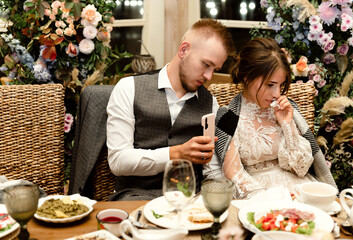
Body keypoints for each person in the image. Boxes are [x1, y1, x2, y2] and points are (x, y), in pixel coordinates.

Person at [106, 19, 235, 200]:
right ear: (184, 50)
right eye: (206, 64)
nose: (209, 76)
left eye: (215, 69)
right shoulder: (128, 88)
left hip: (190, 200)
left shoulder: (210, 103)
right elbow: (118, 161)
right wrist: (177, 153)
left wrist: (222, 198)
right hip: (134, 198)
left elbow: (211, 168)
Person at [214, 38, 337, 199]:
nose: (277, 94)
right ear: (247, 77)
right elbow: (235, 177)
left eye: (281, 85)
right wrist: (276, 198)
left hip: (301, 192)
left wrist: (287, 125)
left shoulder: (286, 109)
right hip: (261, 199)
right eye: (270, 84)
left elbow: (301, 167)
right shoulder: (228, 118)